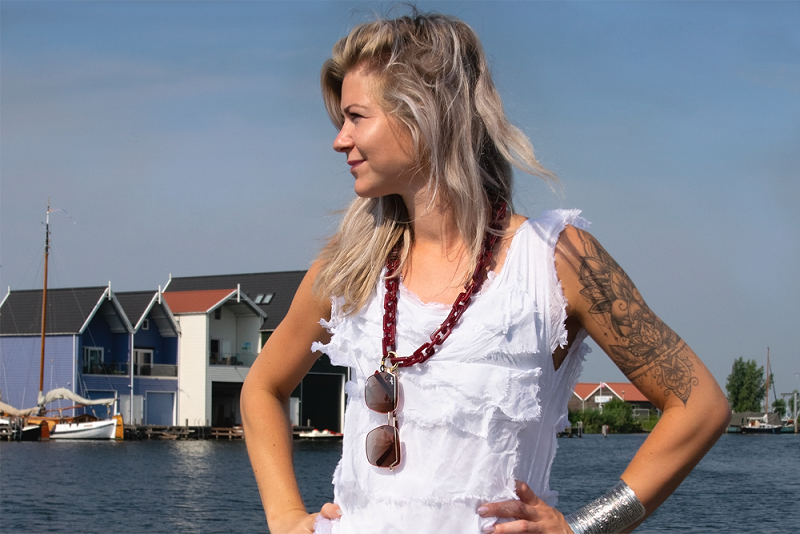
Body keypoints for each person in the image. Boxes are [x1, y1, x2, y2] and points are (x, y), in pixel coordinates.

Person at [241, 10, 731, 534]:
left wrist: (583, 528)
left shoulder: (556, 261)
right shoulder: (348, 271)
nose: (340, 140)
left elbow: (699, 405)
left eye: (357, 117)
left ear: (424, 114)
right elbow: (262, 387)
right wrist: (285, 517)